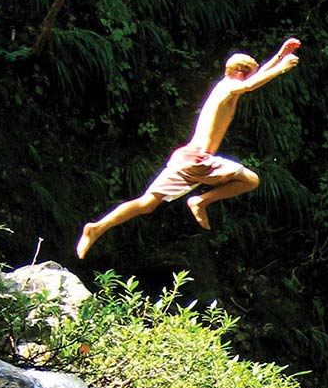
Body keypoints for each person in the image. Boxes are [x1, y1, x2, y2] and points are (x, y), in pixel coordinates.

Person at [76, 37, 301, 259]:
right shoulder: (232, 87)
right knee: (251, 180)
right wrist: (281, 68)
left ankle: (96, 227)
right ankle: (201, 200)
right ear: (240, 74)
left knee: (147, 203)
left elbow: (255, 79)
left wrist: (280, 55)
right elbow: (251, 84)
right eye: (250, 74)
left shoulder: (226, 86)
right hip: (200, 160)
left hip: (185, 156)